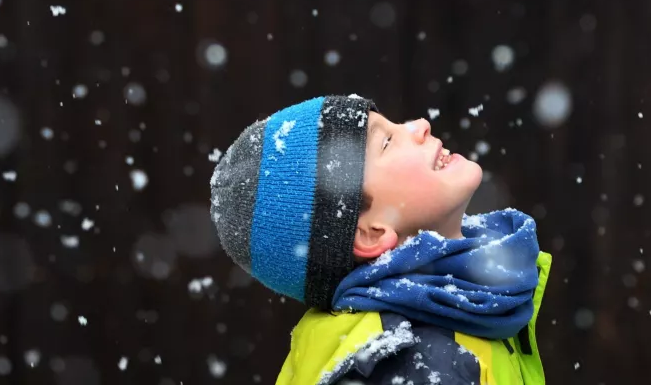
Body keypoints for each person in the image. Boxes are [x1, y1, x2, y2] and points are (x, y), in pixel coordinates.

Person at [210, 94, 551, 384]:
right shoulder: (411, 363)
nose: (420, 125)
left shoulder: (469, 303)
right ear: (369, 233)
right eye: (386, 141)